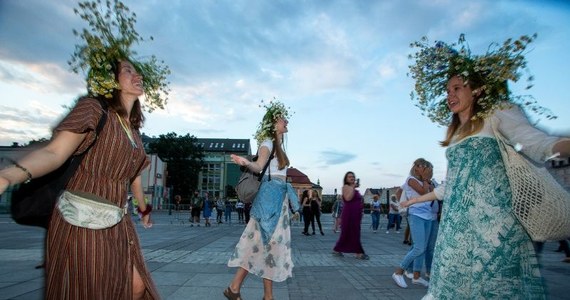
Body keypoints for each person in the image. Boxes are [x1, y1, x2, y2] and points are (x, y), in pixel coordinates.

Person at [0, 1, 169, 298]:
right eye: (128, 70)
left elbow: (133, 178)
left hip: (117, 221)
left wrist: (144, 209)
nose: (136, 74)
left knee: (136, 285)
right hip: (82, 220)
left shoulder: (134, 131)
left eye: (137, 71)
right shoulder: (93, 109)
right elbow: (55, 152)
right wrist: (9, 176)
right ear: (110, 81)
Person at [402, 34, 570, 299]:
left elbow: (535, 142)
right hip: (456, 229)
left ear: (477, 89)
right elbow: (450, 186)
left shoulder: (496, 113)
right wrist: (412, 202)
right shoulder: (455, 136)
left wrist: (562, 145)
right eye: (448, 91)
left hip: (494, 228)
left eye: (457, 88)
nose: (450, 95)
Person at [225, 100, 300, 300]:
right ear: (274, 123)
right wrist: (246, 163)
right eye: (282, 118)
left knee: (261, 246)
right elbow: (259, 166)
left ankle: (235, 288)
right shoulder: (267, 143)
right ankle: (264, 296)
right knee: (267, 246)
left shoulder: (279, 146)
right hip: (269, 204)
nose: (286, 120)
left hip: (276, 202)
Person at [392, 159, 437, 289]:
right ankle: (398, 272)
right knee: (418, 247)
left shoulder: (427, 181)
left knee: (420, 246)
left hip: (428, 216)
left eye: (426, 166)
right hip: (416, 215)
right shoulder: (411, 179)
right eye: (422, 166)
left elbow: (433, 194)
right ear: (416, 167)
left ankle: (416, 277)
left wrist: (427, 180)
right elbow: (423, 192)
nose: (425, 168)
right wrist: (425, 179)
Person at [332, 171, 369, 260]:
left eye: (353, 176)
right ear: (346, 179)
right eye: (349, 177)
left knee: (352, 232)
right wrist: (353, 187)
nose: (352, 178)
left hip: (356, 213)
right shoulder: (345, 187)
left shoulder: (354, 189)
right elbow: (348, 198)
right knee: (351, 232)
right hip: (349, 213)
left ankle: (337, 249)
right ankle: (358, 253)